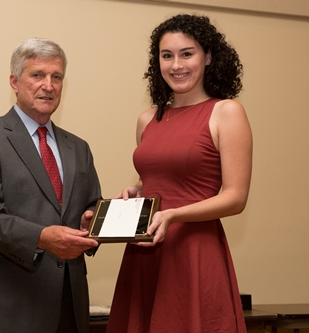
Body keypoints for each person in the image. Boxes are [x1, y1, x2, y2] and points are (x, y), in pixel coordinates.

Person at [106, 14, 252, 333]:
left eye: (187, 53)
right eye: (167, 55)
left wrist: (173, 215)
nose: (176, 65)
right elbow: (161, 179)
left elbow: (235, 197)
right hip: (145, 252)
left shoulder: (226, 112)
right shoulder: (147, 120)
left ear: (208, 56)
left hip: (194, 252)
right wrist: (137, 190)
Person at [0, 37, 101, 333]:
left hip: (70, 309)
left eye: (57, 77)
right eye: (37, 75)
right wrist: (42, 237)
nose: (48, 85)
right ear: (15, 81)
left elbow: (90, 205)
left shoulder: (79, 147)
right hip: (11, 308)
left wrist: (93, 220)